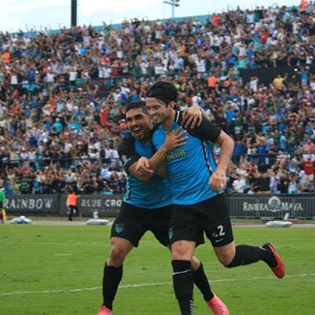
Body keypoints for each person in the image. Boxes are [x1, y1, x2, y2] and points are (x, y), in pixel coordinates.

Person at [143, 81, 284, 315]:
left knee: (227, 258)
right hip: (180, 205)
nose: (152, 112)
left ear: (171, 105)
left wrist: (220, 171)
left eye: (156, 107)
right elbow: (161, 169)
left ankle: (265, 253)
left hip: (209, 199)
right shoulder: (156, 135)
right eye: (149, 108)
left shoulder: (191, 121)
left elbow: (227, 141)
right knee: (180, 257)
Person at [98, 102, 229, 315]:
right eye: (129, 120)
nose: (133, 123)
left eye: (138, 117)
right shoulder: (126, 146)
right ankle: (106, 308)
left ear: (150, 117)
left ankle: (211, 298)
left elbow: (181, 115)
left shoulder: (166, 132)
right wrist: (165, 149)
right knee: (116, 251)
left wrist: (197, 109)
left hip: (167, 207)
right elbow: (144, 174)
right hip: (135, 207)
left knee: (185, 258)